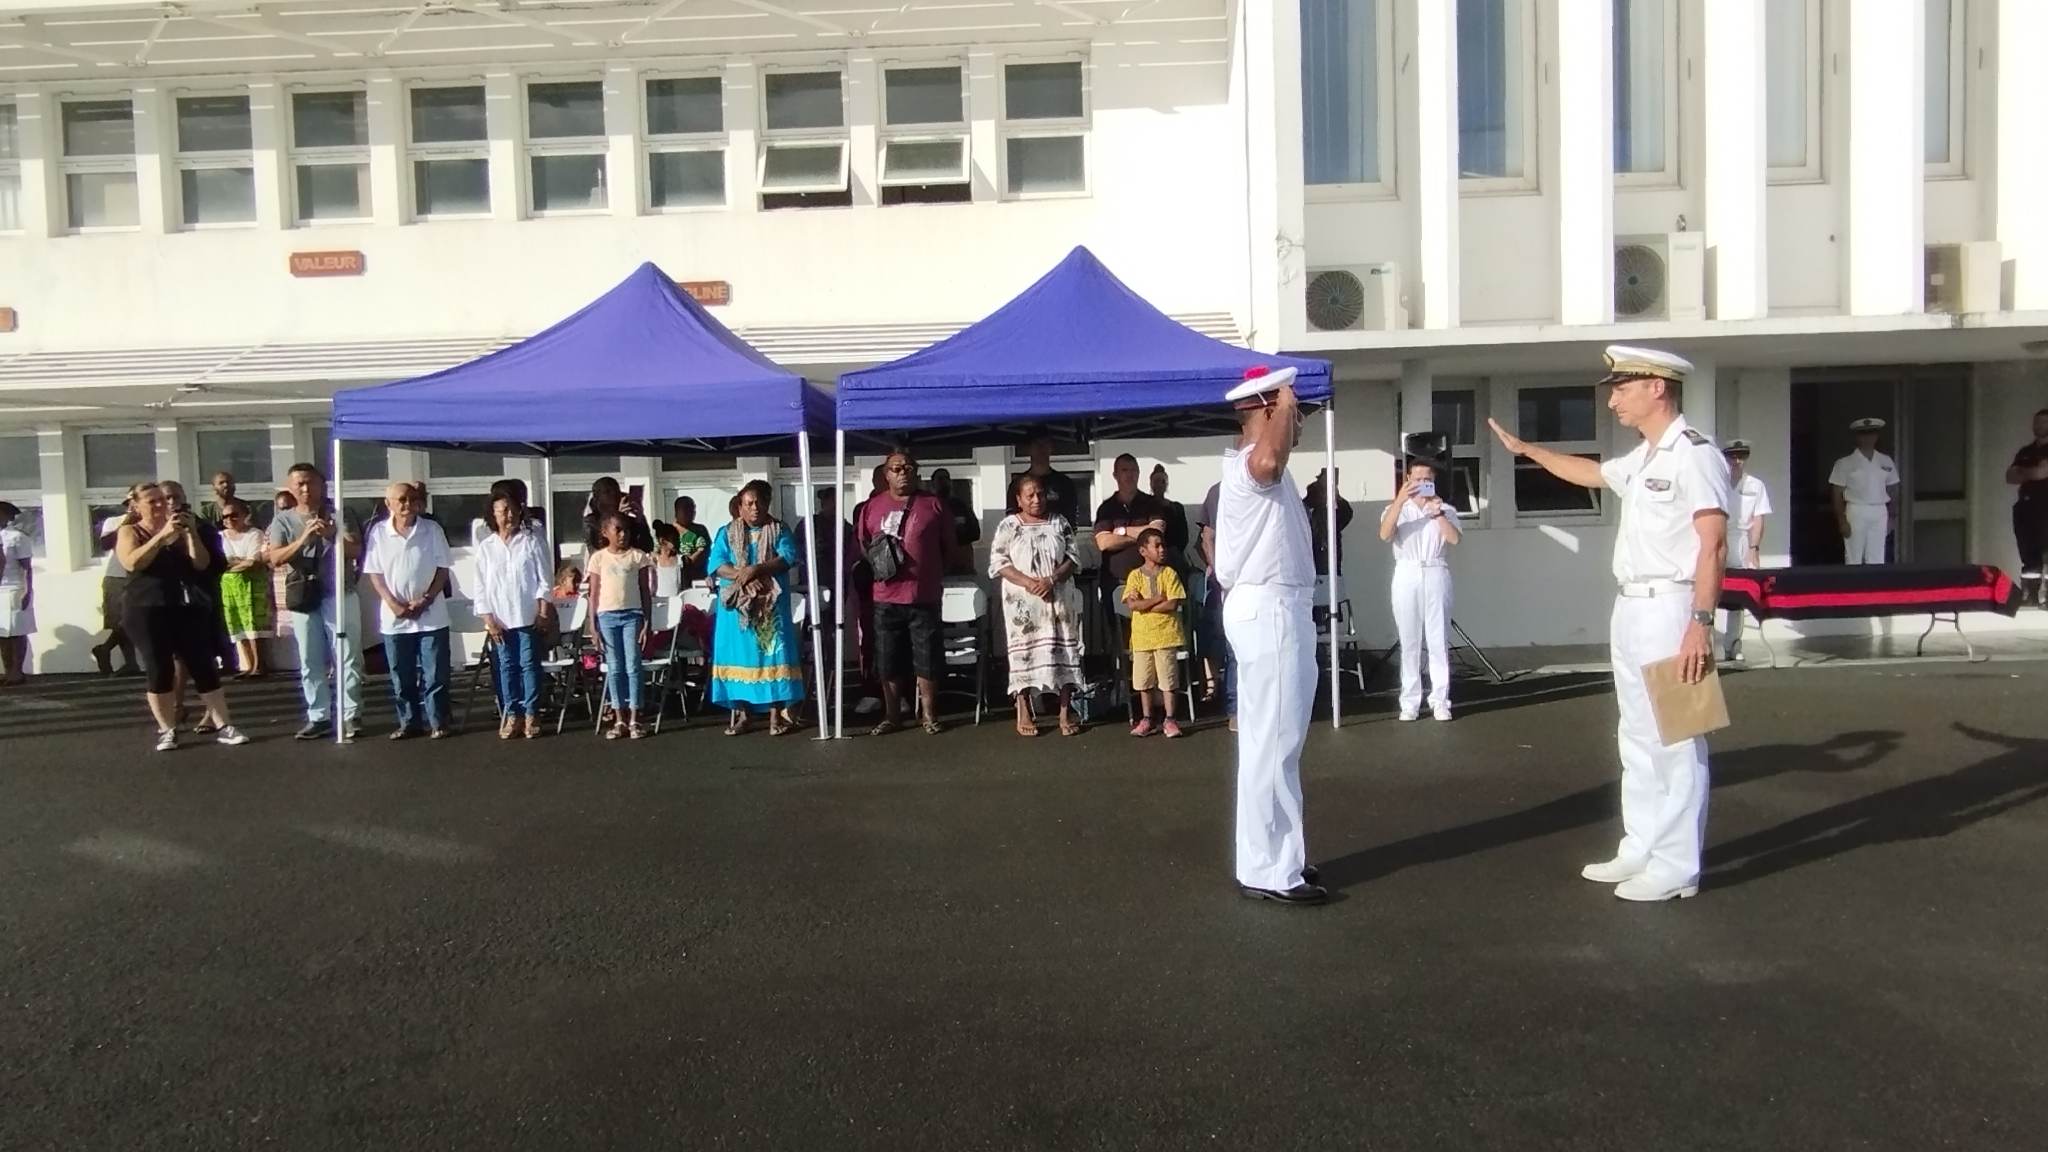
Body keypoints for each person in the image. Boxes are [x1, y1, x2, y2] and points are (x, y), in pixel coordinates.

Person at [1489, 344, 1730, 903]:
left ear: (1658, 388)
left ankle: (1676, 865)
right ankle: (1641, 844)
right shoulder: (1645, 457)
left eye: (1623, 387)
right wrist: (1527, 449)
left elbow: (1712, 545)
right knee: (1637, 734)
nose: (1613, 398)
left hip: (1674, 608)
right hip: (1633, 607)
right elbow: (1593, 474)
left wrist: (1701, 622)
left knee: (1677, 736)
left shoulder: (1694, 454)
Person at [1216, 365, 1324, 905]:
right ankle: (1271, 868)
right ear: (1265, 410)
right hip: (1271, 610)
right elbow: (1268, 457)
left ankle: (1278, 853)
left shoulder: (1262, 474)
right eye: (1293, 413)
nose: (1299, 422)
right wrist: (1283, 402)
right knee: (1274, 743)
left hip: (1273, 609)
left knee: (1272, 740)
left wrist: (1279, 406)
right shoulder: (1251, 467)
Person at [113, 483, 248, 751]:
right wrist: (161, 536)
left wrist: (191, 534)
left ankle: (224, 725)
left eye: (162, 500)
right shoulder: (130, 531)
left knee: (202, 663)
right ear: (137, 506)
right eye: (152, 501)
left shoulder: (181, 529)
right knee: (159, 668)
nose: (160, 505)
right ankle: (167, 729)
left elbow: (201, 563)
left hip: (185, 605)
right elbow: (132, 562)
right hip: (146, 607)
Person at [855, 450, 959, 735]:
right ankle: (891, 715)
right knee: (887, 659)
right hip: (885, 596)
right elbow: (863, 546)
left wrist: (932, 573)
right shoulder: (871, 507)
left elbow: (950, 547)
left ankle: (929, 715)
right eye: (896, 469)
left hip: (922, 595)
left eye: (908, 468)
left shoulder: (934, 505)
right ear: (885, 474)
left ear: (917, 472)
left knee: (927, 657)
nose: (903, 473)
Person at [266, 463, 365, 741]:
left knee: (347, 655)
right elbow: (275, 558)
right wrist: (304, 539)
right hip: (304, 596)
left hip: (339, 593)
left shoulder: (341, 513)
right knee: (310, 659)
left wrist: (332, 535)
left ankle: (350, 713)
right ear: (291, 487)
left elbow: (356, 549)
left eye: (310, 483)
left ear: (322, 485)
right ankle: (319, 715)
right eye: (299, 484)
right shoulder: (282, 520)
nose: (306, 489)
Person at [988, 473, 1086, 738]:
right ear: (1019, 499)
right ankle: (1023, 708)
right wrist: (1028, 582)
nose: (1036, 499)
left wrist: (1052, 579)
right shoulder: (1009, 526)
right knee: (1024, 654)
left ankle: (1065, 711)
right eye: (1029, 495)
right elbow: (998, 563)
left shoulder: (1059, 522)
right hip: (1024, 605)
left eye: (1040, 494)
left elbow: (1074, 558)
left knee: (1065, 652)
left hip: (1058, 600)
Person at [708, 480, 805, 736]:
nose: (755, 508)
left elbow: (787, 557)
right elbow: (717, 564)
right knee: (738, 659)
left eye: (759, 502)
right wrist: (742, 574)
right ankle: (743, 715)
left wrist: (759, 569)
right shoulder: (726, 532)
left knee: (771, 656)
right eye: (749, 503)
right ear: (739, 507)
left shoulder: (779, 530)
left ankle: (776, 716)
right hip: (736, 609)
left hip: (768, 605)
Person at [363, 482, 455, 740]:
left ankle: (439, 722)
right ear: (388, 503)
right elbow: (375, 573)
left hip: (431, 615)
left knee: (435, 673)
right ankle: (409, 722)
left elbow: (443, 569)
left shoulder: (432, 529)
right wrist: (393, 603)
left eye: (411, 498)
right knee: (401, 675)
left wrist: (426, 599)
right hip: (395, 617)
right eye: (400, 499)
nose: (406, 504)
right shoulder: (379, 533)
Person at [1378, 457, 1461, 722]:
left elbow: (1454, 539)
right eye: (1417, 479)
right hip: (1407, 570)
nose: (1422, 484)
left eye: (1428, 480)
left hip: (1436, 569)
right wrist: (1400, 501)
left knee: (1437, 640)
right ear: (1408, 480)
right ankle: (1409, 701)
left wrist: (1436, 513)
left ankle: (1440, 700)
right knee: (1410, 640)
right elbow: (1385, 534)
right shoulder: (1395, 509)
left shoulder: (1445, 508)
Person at [475, 488, 554, 740]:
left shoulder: (532, 541)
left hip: (527, 616)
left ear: (520, 510)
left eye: (511, 509)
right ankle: (512, 714)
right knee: (506, 667)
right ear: (493, 515)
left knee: (529, 665)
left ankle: (531, 714)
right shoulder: (487, 547)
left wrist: (542, 612)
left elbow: (544, 580)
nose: (507, 515)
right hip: (499, 620)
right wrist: (489, 620)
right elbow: (480, 587)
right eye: (502, 511)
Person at [585, 511, 653, 739]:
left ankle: (635, 717)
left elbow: (645, 591)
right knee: (614, 667)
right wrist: (592, 625)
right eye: (618, 530)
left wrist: (647, 621)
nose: (623, 535)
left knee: (633, 665)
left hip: (632, 615)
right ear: (605, 533)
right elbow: (593, 594)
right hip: (607, 617)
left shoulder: (638, 556)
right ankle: (619, 718)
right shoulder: (598, 558)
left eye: (626, 530)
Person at [1092, 453, 1168, 636]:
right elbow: (1103, 543)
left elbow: (1157, 532)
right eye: (1124, 470)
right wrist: (1143, 534)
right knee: (1120, 640)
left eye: (1133, 470)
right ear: (1115, 475)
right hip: (1117, 582)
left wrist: (1121, 531)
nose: (1130, 475)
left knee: (1152, 635)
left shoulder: (1152, 504)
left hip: (1151, 582)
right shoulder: (1106, 508)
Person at [1123, 528, 1188, 738]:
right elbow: (1133, 604)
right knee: (1144, 680)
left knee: (1168, 679)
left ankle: (1170, 719)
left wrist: (1146, 606)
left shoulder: (1169, 574)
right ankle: (1147, 718)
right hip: (1142, 638)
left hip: (1166, 636)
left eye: (1163, 545)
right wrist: (1156, 599)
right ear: (1143, 550)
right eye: (1156, 545)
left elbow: (1172, 603)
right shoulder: (1135, 576)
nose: (1162, 550)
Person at [1720, 440, 1773, 662]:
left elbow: (1758, 518)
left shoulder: (1755, 485)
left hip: (1741, 539)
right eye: (1732, 456)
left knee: (1739, 594)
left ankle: (1733, 644)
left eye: (1741, 456)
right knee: (1712, 590)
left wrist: (1754, 547)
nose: (1737, 461)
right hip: (1720, 537)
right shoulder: (1717, 482)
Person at [1829, 417, 1898, 565]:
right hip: (1856, 510)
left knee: (1877, 557)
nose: (1868, 438)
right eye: (1863, 434)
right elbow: (1836, 493)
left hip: (1879, 510)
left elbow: (1893, 488)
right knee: (1854, 556)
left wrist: (1892, 516)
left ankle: (1875, 587)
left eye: (1871, 433)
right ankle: (1853, 587)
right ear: (1857, 437)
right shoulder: (1844, 463)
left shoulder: (1886, 461)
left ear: (1877, 436)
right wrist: (1841, 520)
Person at [216, 498, 271, 679]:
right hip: (229, 586)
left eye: (234, 515)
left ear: (245, 515)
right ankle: (247, 665)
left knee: (254, 623)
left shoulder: (255, 534)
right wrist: (239, 562)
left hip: (252, 583)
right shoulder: (220, 536)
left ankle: (259, 665)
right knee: (237, 623)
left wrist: (233, 563)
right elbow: (220, 562)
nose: (229, 519)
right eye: (225, 516)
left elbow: (253, 561)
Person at [90, 490, 141, 676]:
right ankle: (130, 662)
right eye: (131, 502)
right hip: (117, 575)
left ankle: (105, 649)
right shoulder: (114, 521)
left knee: (131, 620)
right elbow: (105, 544)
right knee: (121, 621)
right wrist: (127, 522)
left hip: (140, 576)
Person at [1197, 481, 1234, 730]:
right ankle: (1215, 685)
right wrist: (1220, 574)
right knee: (1214, 637)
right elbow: (1205, 538)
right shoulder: (1217, 492)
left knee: (1235, 647)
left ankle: (1237, 704)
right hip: (1219, 581)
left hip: (1250, 582)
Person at [2004, 409, 2048, 606]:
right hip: (2026, 510)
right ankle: (2030, 596)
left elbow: (2040, 473)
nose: (2038, 426)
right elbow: (2010, 477)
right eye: (2036, 422)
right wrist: (2032, 471)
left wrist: (2025, 471)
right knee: (2029, 556)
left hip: (2045, 509)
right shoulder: (2025, 452)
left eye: (2043, 423)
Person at [1008, 429, 1081, 524]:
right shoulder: (1017, 484)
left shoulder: (1064, 483)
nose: (1041, 448)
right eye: (1036, 444)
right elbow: (1011, 520)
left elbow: (1071, 519)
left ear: (1051, 448)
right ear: (1029, 448)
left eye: (1045, 443)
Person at [0, 501, 33, 684]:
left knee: (17, 631)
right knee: (2, 634)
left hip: (14, 587)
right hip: (0, 588)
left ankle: (17, 671)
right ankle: (7, 670)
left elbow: (27, 568)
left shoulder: (17, 537)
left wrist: (27, 590)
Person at [1304, 468, 1355, 578]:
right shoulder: (1313, 491)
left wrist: (1336, 497)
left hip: (1330, 546)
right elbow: (1307, 505)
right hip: (1315, 542)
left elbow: (1346, 515)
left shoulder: (1337, 501)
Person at [585, 477, 654, 553]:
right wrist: (618, 518)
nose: (614, 495)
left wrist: (640, 520)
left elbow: (648, 547)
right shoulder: (591, 522)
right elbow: (599, 552)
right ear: (597, 498)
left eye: (616, 491)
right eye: (607, 492)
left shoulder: (629, 519)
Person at [928, 467, 982, 556]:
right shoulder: (927, 507)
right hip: (937, 559)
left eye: (947, 478)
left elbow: (975, 533)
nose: (944, 482)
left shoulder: (961, 505)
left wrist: (957, 535)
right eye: (940, 479)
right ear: (932, 483)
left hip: (960, 559)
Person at [1149, 465, 1191, 568]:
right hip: (1151, 556)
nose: (1159, 485)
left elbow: (1183, 535)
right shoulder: (1145, 507)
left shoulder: (1176, 508)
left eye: (1162, 481)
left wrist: (1173, 551)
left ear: (1166, 484)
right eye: (1156, 481)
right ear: (1151, 484)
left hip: (1173, 556)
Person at [670, 496, 711, 585]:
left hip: (697, 581)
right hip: (672, 580)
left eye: (693, 509)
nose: (691, 513)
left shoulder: (700, 530)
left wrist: (686, 563)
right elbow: (656, 553)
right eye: (686, 509)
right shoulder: (667, 531)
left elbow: (703, 551)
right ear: (676, 511)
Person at [651, 522, 686, 599]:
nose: (677, 542)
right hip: (659, 603)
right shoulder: (654, 561)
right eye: (674, 539)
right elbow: (651, 585)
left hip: (677, 602)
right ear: (663, 541)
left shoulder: (680, 560)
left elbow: (684, 585)